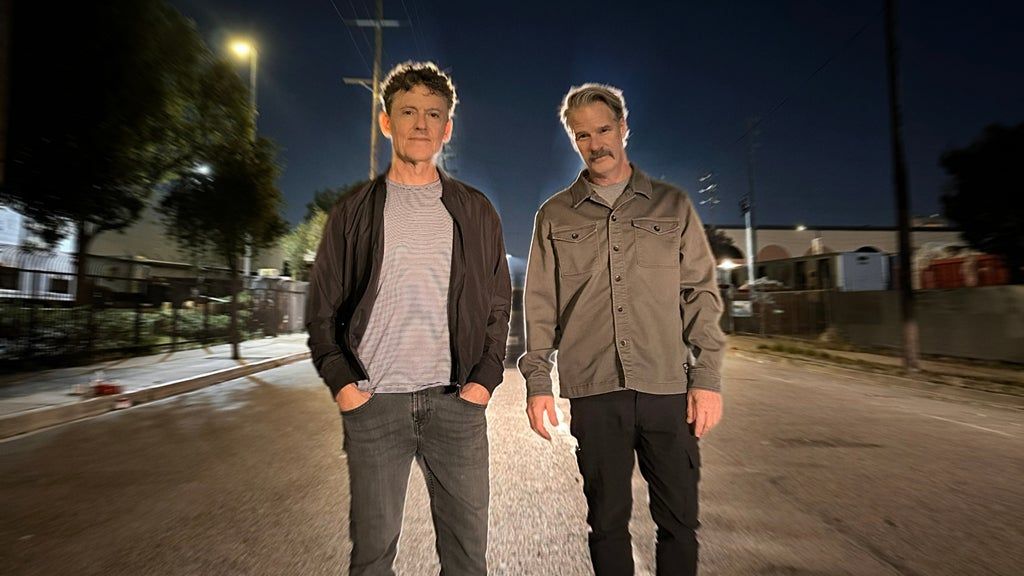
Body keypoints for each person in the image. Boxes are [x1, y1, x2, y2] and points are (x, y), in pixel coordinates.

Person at [306, 61, 511, 576]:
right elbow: (322, 310)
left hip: (456, 406)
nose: (421, 123)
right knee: (372, 559)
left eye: (433, 114)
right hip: (375, 407)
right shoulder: (352, 212)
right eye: (408, 112)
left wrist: (483, 381)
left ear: (448, 128)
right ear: (386, 122)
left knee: (467, 560)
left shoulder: (476, 211)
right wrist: (344, 386)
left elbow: (497, 304)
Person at [519, 83, 725, 576]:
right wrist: (538, 382)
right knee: (607, 525)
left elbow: (700, 294)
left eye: (604, 130)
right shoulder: (554, 215)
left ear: (623, 128)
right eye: (583, 135)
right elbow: (541, 305)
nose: (596, 144)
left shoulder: (672, 206)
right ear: (573, 140)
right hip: (595, 393)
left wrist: (707, 378)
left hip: (666, 390)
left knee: (679, 523)